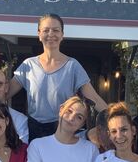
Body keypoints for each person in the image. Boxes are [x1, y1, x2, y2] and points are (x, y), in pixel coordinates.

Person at [8, 13, 107, 141]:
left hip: (63, 131)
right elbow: (4, 94)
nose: (51, 34)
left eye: (55, 30)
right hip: (33, 132)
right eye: (46, 30)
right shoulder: (28, 65)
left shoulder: (73, 66)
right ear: (39, 34)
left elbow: (93, 98)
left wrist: (115, 117)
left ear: (62, 35)